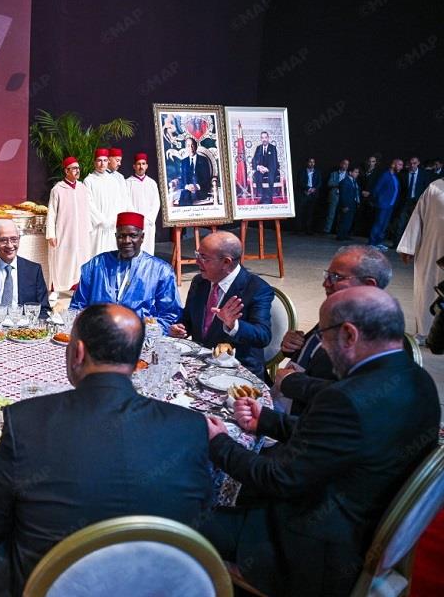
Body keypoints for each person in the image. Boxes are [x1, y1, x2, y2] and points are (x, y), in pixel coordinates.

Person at [203, 287, 440, 597]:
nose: (323, 349)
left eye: (324, 336)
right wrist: (267, 421)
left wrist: (219, 443)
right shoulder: (418, 379)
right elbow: (343, 439)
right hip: (360, 512)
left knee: (178, 510)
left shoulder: (344, 398)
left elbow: (280, 479)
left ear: (349, 335)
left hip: (312, 548)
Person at [0, 304, 212, 596]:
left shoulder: (24, 421)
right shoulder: (190, 427)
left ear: (77, 352)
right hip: (155, 586)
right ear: (135, 357)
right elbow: (201, 514)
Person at [275, 245, 392, 413]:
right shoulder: (340, 310)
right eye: (327, 275)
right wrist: (292, 346)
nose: (325, 283)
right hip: (286, 405)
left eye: (336, 277)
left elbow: (353, 396)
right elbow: (313, 360)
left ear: (368, 285)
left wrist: (291, 382)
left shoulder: (374, 337)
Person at [170, 231, 273, 380]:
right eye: (197, 255)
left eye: (204, 258)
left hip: (237, 372)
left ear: (226, 262)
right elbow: (188, 320)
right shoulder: (200, 281)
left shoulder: (257, 289)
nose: (197, 262)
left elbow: (263, 336)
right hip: (199, 366)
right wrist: (180, 328)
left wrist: (234, 325)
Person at [70, 212, 181, 332]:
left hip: (140, 340)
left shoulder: (161, 271)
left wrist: (145, 330)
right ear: (115, 237)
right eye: (121, 236)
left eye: (133, 235)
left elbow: (170, 316)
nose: (126, 241)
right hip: (97, 337)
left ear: (142, 237)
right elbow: (76, 308)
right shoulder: (96, 265)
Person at [0, 220, 50, 320]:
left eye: (14, 239)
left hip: (25, 330)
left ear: (19, 239)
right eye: (3, 240)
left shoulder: (33, 270)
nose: (10, 245)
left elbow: (44, 309)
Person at [397, 178, 444, 339]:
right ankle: (425, 332)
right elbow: (418, 216)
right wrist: (408, 246)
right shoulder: (435, 187)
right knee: (428, 288)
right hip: (432, 252)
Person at [46, 156, 92, 293]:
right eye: (74, 168)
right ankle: (60, 287)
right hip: (64, 232)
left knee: (81, 259)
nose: (77, 171)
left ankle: (78, 287)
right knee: (64, 259)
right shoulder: (58, 189)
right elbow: (52, 212)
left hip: (81, 232)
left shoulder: (83, 188)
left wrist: (88, 229)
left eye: (78, 168)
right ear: (66, 171)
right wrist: (51, 234)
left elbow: (87, 210)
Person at [84, 147, 129, 255]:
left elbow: (119, 202)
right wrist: (102, 220)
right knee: (95, 254)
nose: (102, 164)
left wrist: (113, 219)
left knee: (111, 254)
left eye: (104, 160)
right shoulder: (89, 181)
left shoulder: (113, 181)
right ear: (94, 162)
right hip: (97, 227)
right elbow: (88, 204)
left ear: (108, 161)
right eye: (99, 160)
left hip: (111, 225)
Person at [125, 152, 161, 255]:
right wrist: (137, 219)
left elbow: (156, 203)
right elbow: (127, 202)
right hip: (134, 223)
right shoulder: (128, 183)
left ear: (147, 166)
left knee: (148, 248)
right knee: (134, 249)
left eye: (143, 163)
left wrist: (149, 218)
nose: (141, 166)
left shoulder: (152, 183)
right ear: (134, 166)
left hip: (149, 223)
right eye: (139, 164)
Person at [391, 156, 431, 245]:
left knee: (416, 224)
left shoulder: (423, 174)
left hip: (417, 202)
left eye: (415, 163)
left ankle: (412, 244)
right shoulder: (403, 174)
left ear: (418, 163)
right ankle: (397, 243)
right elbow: (399, 188)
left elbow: (426, 189)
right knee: (401, 223)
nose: (412, 165)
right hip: (405, 201)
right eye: (411, 163)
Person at [368, 158, 403, 250]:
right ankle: (371, 243)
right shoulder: (385, 175)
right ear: (393, 165)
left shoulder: (395, 176)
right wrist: (377, 201)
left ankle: (378, 242)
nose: (401, 167)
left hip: (390, 206)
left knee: (384, 224)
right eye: (399, 164)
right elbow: (376, 189)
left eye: (401, 165)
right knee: (378, 223)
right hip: (382, 204)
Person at [178, 137, 214, 206]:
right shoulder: (183, 162)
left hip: (200, 190)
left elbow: (207, 178)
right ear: (186, 148)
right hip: (187, 191)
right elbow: (182, 178)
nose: (191, 148)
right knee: (184, 199)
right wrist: (187, 186)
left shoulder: (203, 160)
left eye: (192, 145)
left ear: (196, 146)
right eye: (188, 146)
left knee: (190, 198)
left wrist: (197, 186)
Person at [250, 131, 280, 204]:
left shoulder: (273, 148)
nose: (264, 139)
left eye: (265, 137)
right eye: (262, 138)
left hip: (271, 169)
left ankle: (269, 198)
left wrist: (267, 169)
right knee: (257, 175)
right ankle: (262, 197)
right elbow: (254, 160)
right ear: (261, 139)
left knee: (271, 175)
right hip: (261, 170)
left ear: (268, 138)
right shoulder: (258, 148)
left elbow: (274, 161)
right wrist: (258, 167)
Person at [335, 166, 361, 241]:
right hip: (347, 204)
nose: (357, 174)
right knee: (344, 220)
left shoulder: (354, 181)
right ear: (350, 172)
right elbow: (343, 195)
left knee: (349, 221)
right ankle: (340, 235)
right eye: (356, 172)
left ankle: (345, 234)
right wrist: (344, 205)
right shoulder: (344, 182)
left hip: (353, 203)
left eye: (358, 172)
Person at [296, 157, 321, 234]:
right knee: (301, 212)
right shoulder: (302, 172)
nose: (312, 163)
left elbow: (319, 182)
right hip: (304, 194)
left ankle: (308, 230)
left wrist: (313, 189)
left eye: (313, 162)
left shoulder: (317, 172)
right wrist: (307, 189)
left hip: (313, 194)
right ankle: (299, 229)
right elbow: (300, 182)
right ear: (307, 163)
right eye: (310, 162)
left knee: (310, 213)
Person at [323, 159, 349, 234]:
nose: (346, 166)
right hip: (334, 195)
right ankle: (327, 230)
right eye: (344, 164)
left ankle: (339, 231)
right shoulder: (334, 174)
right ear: (341, 164)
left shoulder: (348, 175)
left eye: (347, 164)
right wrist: (340, 184)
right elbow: (329, 183)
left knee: (341, 215)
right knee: (331, 214)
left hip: (343, 196)